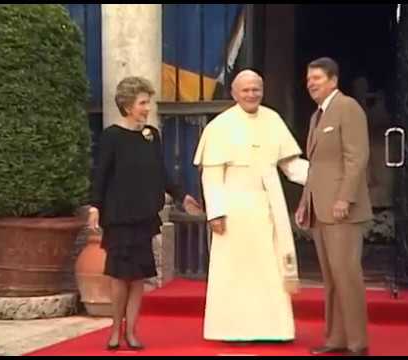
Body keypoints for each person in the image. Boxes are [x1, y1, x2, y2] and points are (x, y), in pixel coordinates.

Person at [193, 69, 309, 342]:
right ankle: (233, 331)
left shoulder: (273, 119)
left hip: (267, 207)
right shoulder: (219, 126)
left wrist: (326, 177)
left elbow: (291, 166)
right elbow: (212, 175)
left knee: (269, 270)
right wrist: (216, 213)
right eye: (245, 90)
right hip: (234, 210)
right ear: (234, 93)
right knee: (236, 272)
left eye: (256, 89)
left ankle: (273, 330)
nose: (251, 94)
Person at [87, 76, 201, 351]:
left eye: (147, 102)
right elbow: (100, 174)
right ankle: (115, 329)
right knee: (119, 276)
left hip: (144, 216)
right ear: (127, 105)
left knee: (138, 277)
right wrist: (94, 206)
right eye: (142, 102)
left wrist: (181, 195)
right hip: (118, 217)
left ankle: (132, 331)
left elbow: (160, 172)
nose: (147, 107)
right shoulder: (112, 135)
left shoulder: (152, 135)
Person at [295, 57, 373, 356]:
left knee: (346, 275)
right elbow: (315, 167)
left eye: (316, 78)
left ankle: (357, 343)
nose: (311, 83)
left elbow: (357, 157)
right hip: (320, 209)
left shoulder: (347, 108)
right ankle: (336, 339)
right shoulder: (317, 116)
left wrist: (345, 198)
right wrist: (305, 203)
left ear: (333, 80)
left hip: (342, 209)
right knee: (331, 278)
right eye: (308, 79)